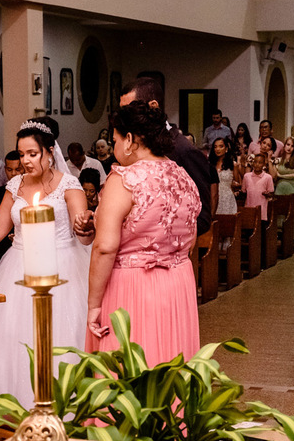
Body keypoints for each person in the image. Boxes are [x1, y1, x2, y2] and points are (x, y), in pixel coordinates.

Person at [0, 120, 92, 405]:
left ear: (49, 152)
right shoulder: (14, 185)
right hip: (17, 267)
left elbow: (85, 235)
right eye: (21, 154)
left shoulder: (69, 185)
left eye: (32, 154)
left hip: (62, 267)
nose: (25, 161)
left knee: (57, 341)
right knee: (9, 342)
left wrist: (84, 226)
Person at [85, 101, 201, 365]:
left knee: (130, 371)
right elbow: (189, 240)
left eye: (114, 140)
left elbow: (104, 246)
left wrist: (93, 305)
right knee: (171, 366)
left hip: (132, 287)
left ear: (129, 139)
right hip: (178, 285)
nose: (114, 149)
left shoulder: (125, 179)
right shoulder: (183, 177)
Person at [118, 77, 214, 235]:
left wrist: (161, 237)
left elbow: (202, 218)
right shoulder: (130, 146)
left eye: (129, 109)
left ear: (153, 106)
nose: (123, 118)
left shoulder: (184, 150)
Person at [0, 151, 23, 267]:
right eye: (9, 170)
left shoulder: (32, 192)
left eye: (18, 169)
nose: (13, 174)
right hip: (2, 251)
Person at [273, 137, 294, 242]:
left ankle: (293, 236)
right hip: (280, 188)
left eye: (292, 146)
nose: (289, 148)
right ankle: (280, 234)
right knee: (279, 214)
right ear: (284, 145)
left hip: (293, 188)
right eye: (288, 145)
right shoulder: (279, 159)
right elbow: (274, 174)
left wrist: (282, 175)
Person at [241, 153, 273, 223]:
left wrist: (267, 194)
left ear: (264, 164)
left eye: (260, 162)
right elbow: (243, 192)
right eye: (255, 162)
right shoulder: (247, 176)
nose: (257, 164)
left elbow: (271, 193)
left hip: (262, 212)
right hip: (249, 209)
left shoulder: (268, 177)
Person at [210, 138, 238, 215]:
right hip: (213, 197)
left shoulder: (233, 164)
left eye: (221, 146)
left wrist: (234, 185)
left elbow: (238, 183)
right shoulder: (210, 165)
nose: (218, 149)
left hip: (227, 198)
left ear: (226, 149)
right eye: (215, 147)